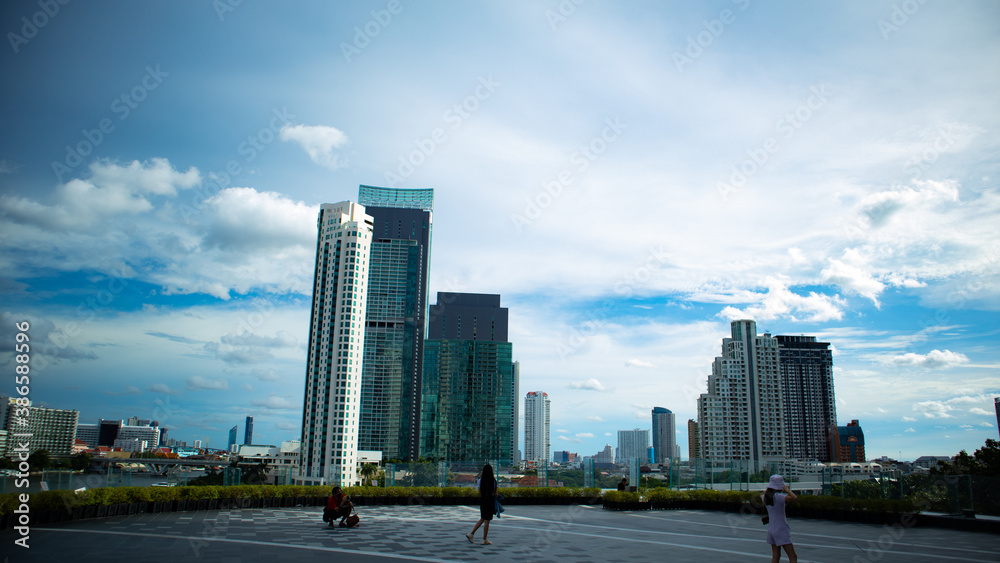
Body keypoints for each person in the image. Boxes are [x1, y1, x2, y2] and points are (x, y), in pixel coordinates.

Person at [762, 475, 798, 563]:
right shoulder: (778, 496)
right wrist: (787, 490)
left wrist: (769, 488)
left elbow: (762, 494)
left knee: (776, 556)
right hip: (781, 529)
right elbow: (794, 498)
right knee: (793, 556)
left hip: (771, 529)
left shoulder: (765, 497)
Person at [465, 463, 497, 545]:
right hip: (490, 501)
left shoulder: (480, 481)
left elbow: (480, 492)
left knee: (482, 518)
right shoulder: (493, 481)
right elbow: (495, 493)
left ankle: (471, 534)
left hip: (483, 501)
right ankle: (484, 539)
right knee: (487, 521)